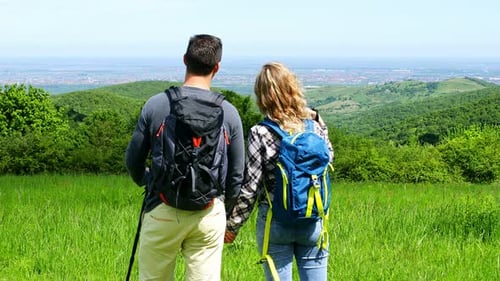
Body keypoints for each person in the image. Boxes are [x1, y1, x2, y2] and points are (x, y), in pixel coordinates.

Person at [125, 34, 245, 281]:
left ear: (184, 60)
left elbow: (133, 160)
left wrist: (147, 181)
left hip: (162, 206)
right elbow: (236, 175)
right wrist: (225, 209)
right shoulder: (229, 113)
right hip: (208, 211)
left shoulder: (156, 105)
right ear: (217, 67)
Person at [224, 62, 334, 281]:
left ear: (263, 96)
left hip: (275, 220)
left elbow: (251, 186)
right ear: (293, 87)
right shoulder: (315, 124)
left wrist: (233, 226)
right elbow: (329, 159)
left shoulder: (260, 132)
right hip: (313, 218)